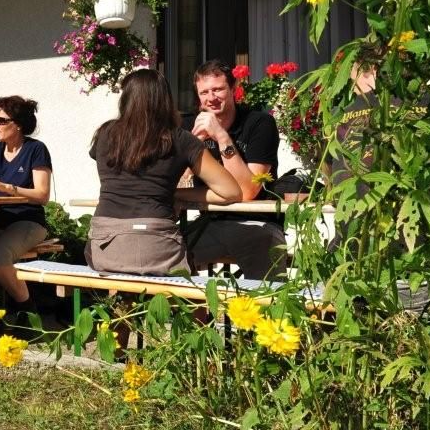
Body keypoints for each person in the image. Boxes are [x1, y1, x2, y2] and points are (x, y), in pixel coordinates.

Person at [88, 69, 240, 276]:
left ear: (126, 99)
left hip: (104, 245)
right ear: (165, 100)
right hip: (157, 244)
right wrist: (175, 194)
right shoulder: (181, 139)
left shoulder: (105, 134)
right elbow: (231, 191)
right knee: (190, 286)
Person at [181, 60, 288, 280]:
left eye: (218, 89)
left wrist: (222, 136)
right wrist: (192, 146)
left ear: (233, 88)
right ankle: (190, 304)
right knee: (168, 252)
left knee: (268, 286)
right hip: (210, 222)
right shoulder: (189, 127)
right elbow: (174, 185)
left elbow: (247, 192)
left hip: (257, 223)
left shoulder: (260, 123)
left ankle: (270, 302)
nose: (211, 98)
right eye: (204, 92)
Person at [0, 96, 53, 330]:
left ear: (19, 124)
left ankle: (28, 310)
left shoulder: (35, 149)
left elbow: (42, 194)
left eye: (2, 120)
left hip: (28, 221)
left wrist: (7, 188)